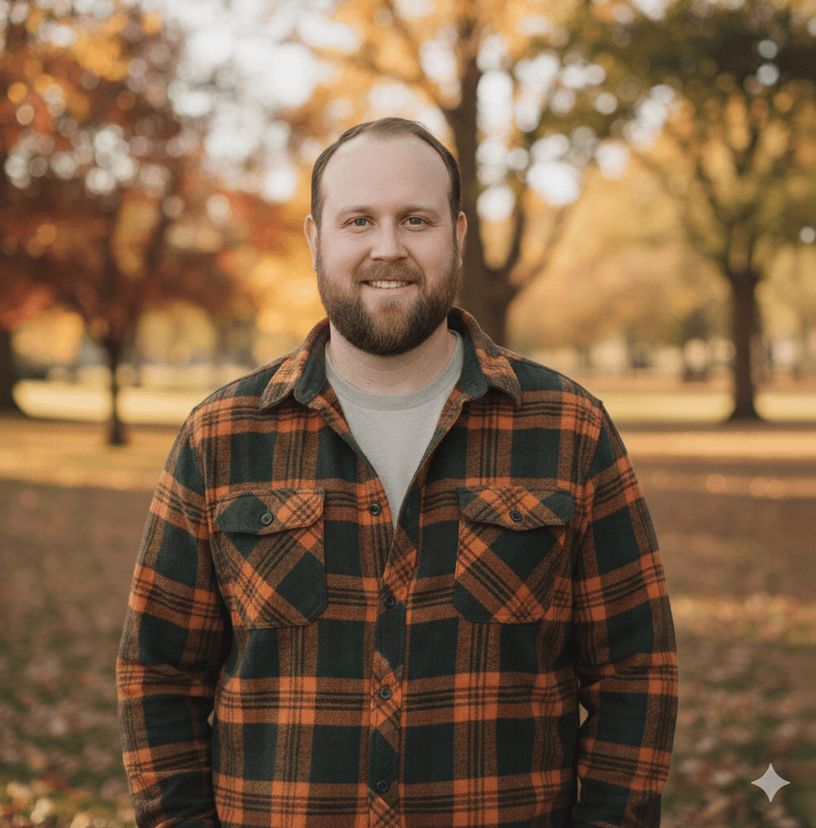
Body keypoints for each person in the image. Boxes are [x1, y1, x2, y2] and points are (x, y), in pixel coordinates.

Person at [117, 117, 678, 828]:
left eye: (416, 219)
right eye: (359, 221)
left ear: (458, 235)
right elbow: (157, 673)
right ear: (316, 239)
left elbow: (636, 672)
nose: (389, 248)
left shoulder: (569, 428)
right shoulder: (221, 437)